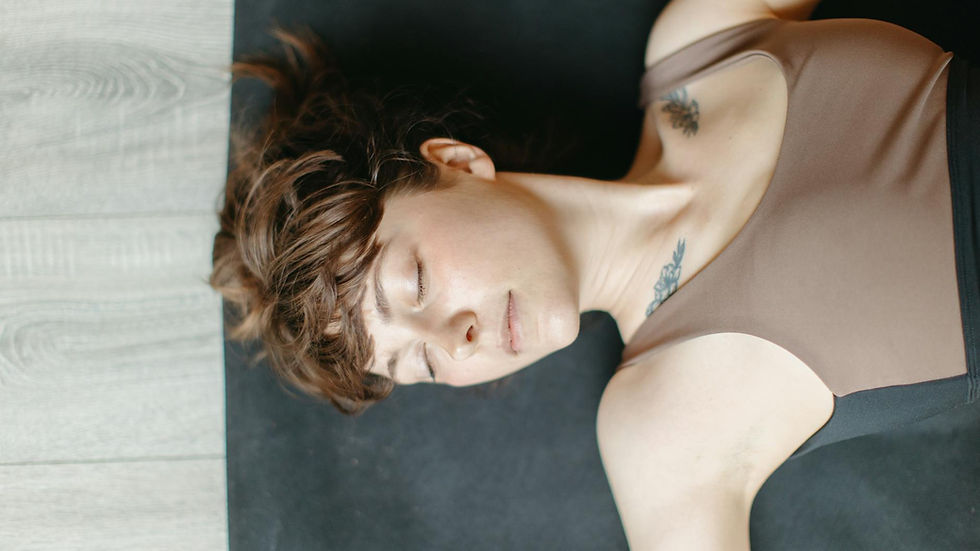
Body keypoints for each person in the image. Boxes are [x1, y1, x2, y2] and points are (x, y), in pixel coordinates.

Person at [210, 0, 979, 548]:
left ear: (454, 163)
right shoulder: (656, 429)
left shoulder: (702, 42)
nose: (460, 337)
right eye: (426, 364)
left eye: (414, 283)